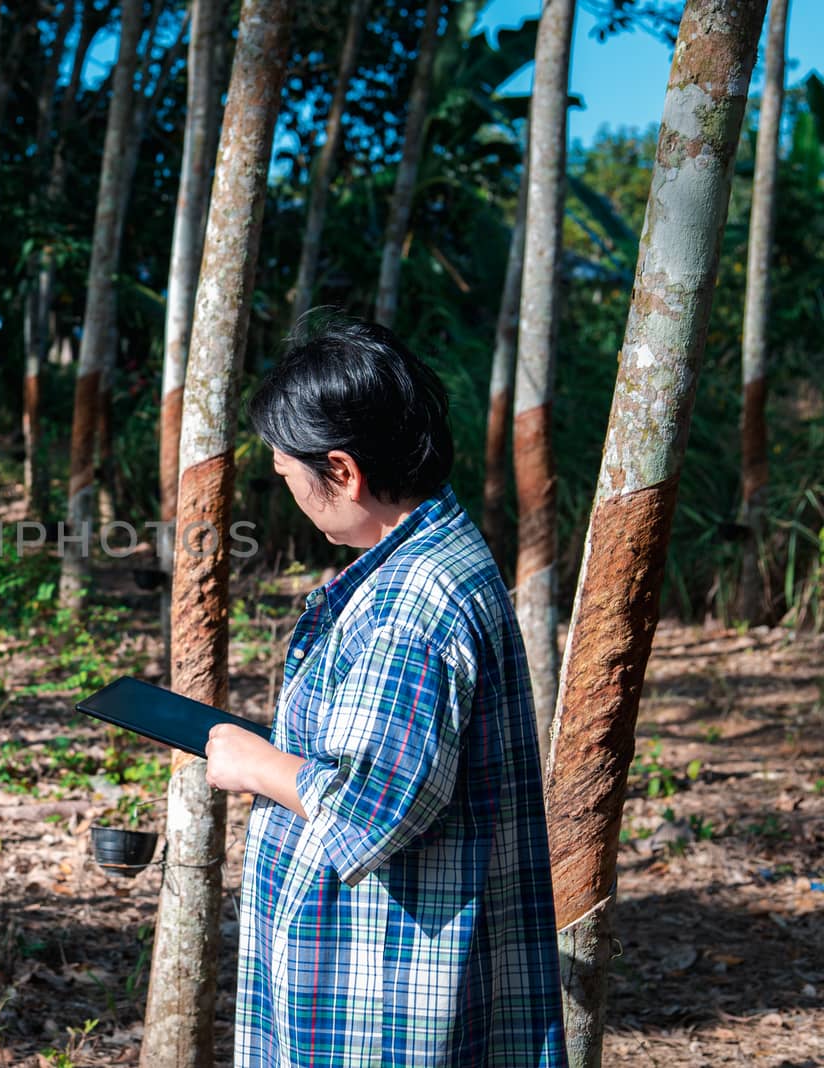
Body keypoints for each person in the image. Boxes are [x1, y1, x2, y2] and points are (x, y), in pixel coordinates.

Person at [204, 318, 566, 1066]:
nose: (291, 494)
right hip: (386, 965)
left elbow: (376, 806)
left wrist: (255, 765)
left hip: (382, 991)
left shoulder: (413, 600)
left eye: (287, 474)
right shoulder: (425, 558)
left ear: (342, 472)